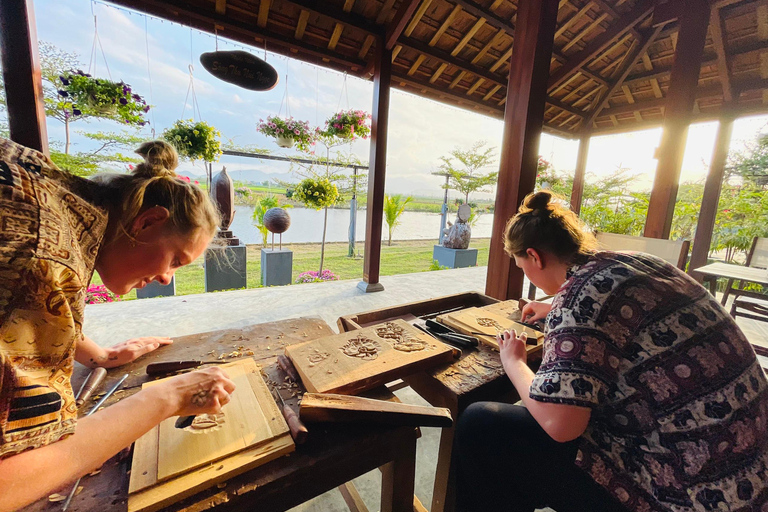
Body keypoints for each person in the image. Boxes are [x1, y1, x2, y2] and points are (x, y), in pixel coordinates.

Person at [455, 191, 768, 512]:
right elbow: (627, 309)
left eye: (522, 266)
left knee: (482, 424)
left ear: (534, 257)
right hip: (751, 461)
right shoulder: (634, 260)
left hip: (696, 489)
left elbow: (559, 425)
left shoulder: (577, 299)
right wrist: (554, 308)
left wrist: (515, 362)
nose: (526, 272)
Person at [0, 138, 236, 511]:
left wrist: (97, 354)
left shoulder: (47, 190)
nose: (166, 278)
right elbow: (10, 480)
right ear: (147, 221)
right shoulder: (41, 259)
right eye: (175, 259)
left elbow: (14, 306)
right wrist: (167, 397)